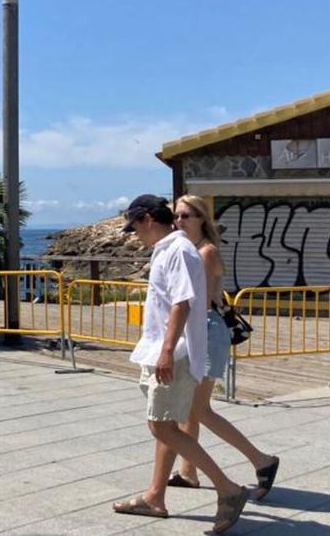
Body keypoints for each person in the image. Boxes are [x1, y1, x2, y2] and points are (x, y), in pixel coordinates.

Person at [111, 195, 249, 533]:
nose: (136, 235)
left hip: (176, 353)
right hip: (163, 350)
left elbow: (182, 303)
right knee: (166, 424)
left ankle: (228, 488)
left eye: (135, 227)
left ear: (146, 219)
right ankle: (154, 497)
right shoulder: (170, 249)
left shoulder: (178, 250)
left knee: (163, 427)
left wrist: (167, 351)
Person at [167, 195, 280, 499]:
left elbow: (198, 301)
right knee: (191, 410)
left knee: (198, 409)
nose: (179, 221)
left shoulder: (205, 253)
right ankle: (188, 472)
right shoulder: (190, 250)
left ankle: (262, 460)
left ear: (202, 218)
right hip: (199, 330)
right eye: (176, 215)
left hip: (207, 330)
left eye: (186, 215)